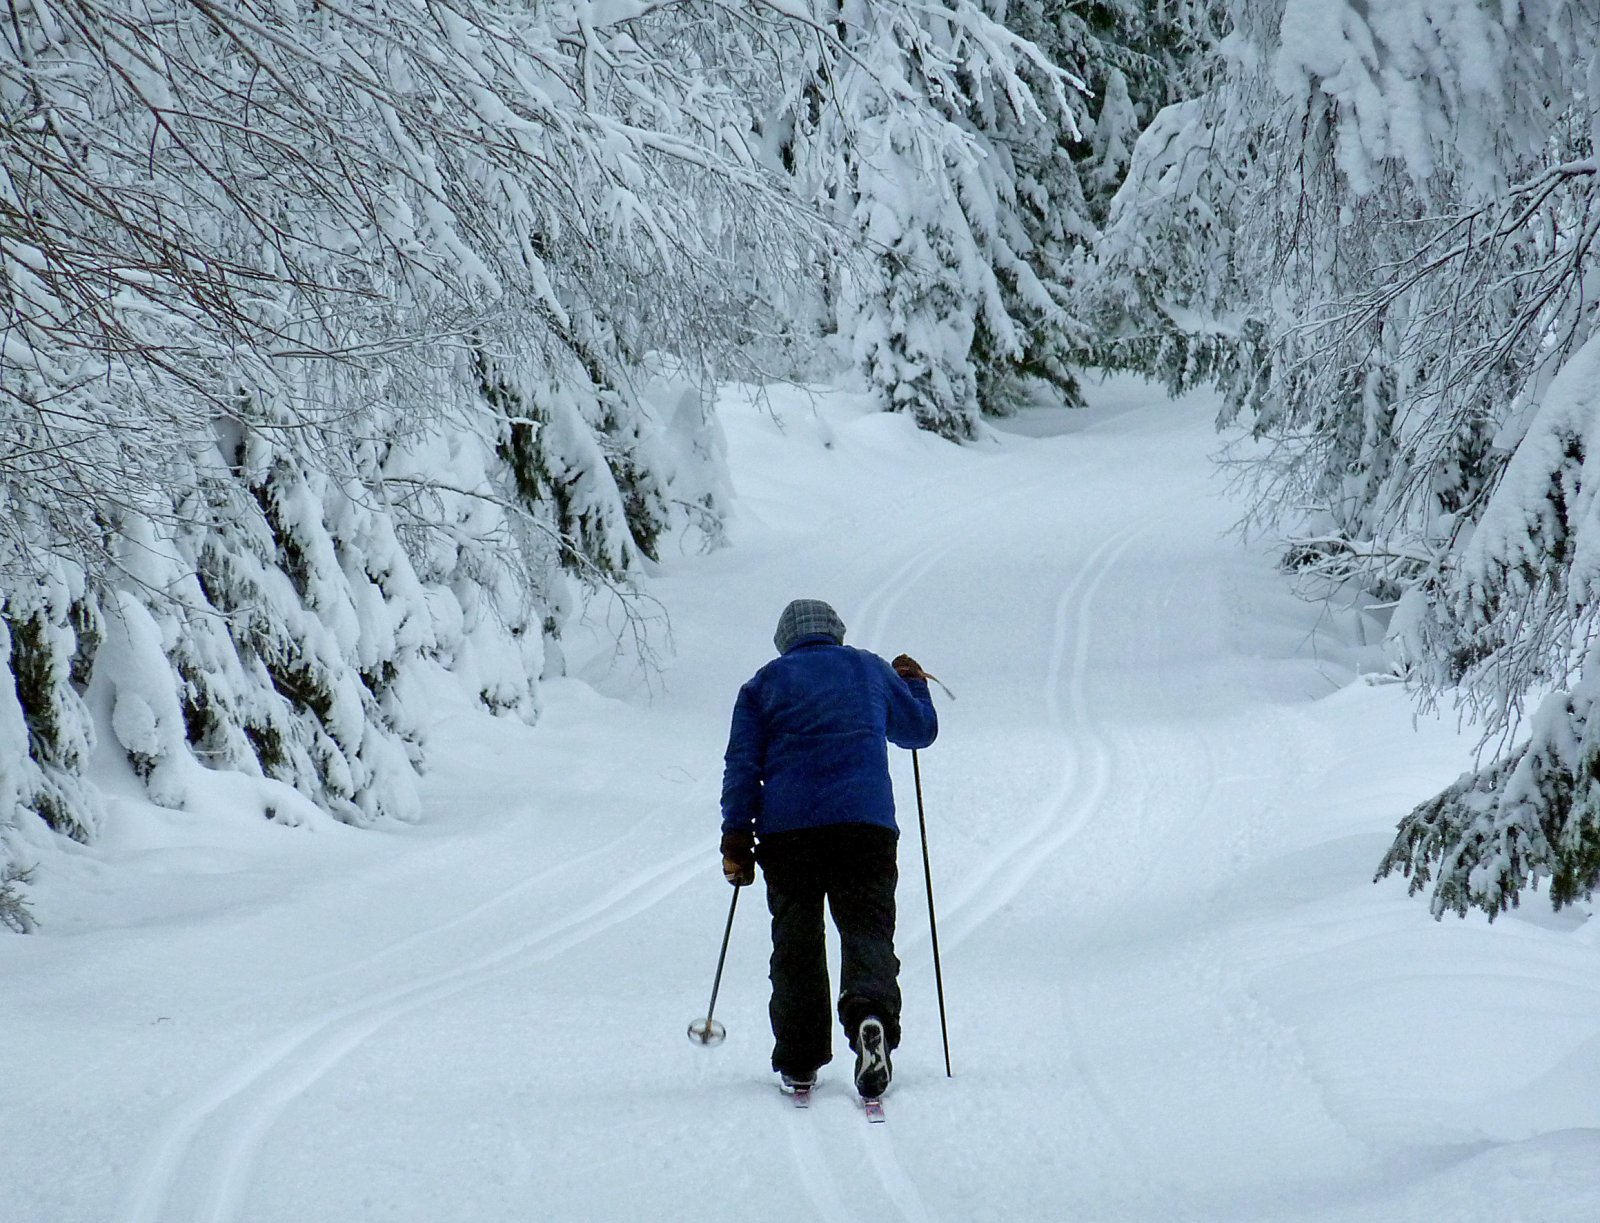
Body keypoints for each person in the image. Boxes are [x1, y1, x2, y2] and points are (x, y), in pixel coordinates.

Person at [719, 598, 937, 1099]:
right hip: (865, 827)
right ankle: (870, 1019)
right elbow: (918, 733)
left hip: (788, 833)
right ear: (835, 632)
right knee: (867, 931)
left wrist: (736, 836)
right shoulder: (868, 669)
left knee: (795, 943)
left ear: (785, 641)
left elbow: (742, 764)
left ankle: (799, 1058)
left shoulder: (762, 685)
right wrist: (914, 685)